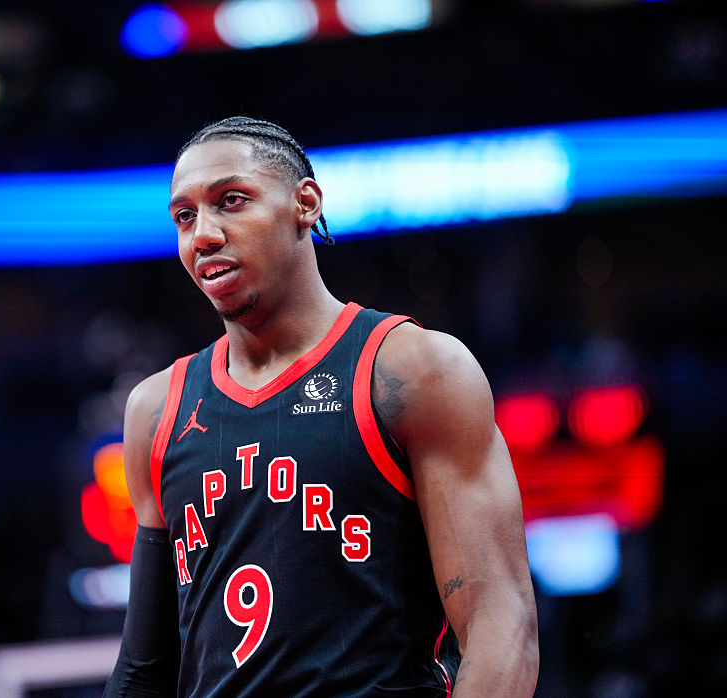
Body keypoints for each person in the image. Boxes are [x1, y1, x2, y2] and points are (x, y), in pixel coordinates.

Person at [104, 117, 538, 697]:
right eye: (184, 216)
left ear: (304, 203)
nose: (202, 234)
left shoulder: (413, 369)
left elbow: (500, 625)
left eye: (231, 200)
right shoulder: (156, 410)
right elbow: (144, 669)